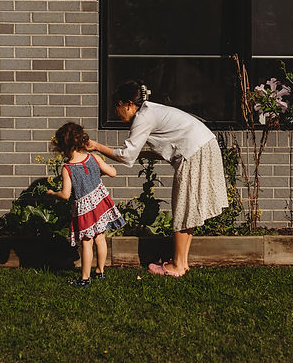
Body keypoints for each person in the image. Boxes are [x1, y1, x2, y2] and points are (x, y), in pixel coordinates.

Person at [87, 81, 228, 277]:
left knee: (182, 207)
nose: (116, 112)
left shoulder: (143, 118)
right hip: (203, 146)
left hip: (195, 151)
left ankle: (177, 266)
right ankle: (182, 261)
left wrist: (96, 146)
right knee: (187, 208)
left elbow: (126, 155)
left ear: (127, 104)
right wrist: (144, 155)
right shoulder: (150, 111)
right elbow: (168, 144)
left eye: (117, 106)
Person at [47, 122, 124, 287]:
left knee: (87, 242)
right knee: (100, 238)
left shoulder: (67, 168)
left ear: (62, 147)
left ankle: (84, 278)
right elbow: (113, 172)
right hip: (100, 202)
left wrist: (54, 194)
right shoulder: (94, 158)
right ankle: (100, 271)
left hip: (85, 209)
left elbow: (66, 194)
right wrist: (98, 169)